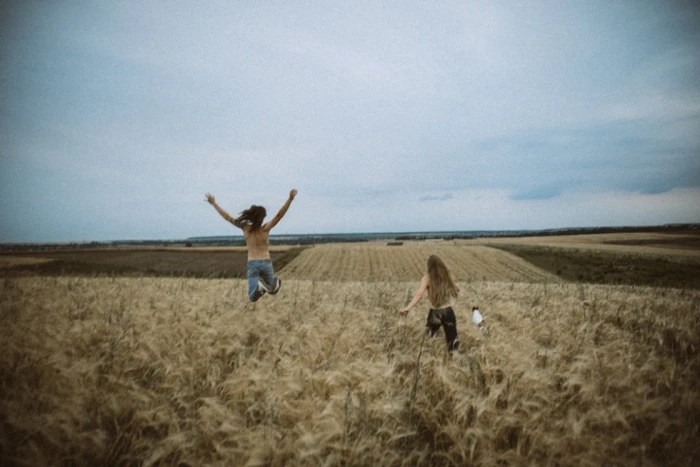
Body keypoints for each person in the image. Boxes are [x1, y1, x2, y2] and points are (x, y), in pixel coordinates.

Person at [205, 189, 298, 302]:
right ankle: (272, 284)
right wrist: (290, 199)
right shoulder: (265, 229)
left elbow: (227, 217)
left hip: (253, 262)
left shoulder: (245, 228)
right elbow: (279, 215)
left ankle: (260, 288)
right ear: (262, 218)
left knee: (252, 297)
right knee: (272, 290)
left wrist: (214, 203)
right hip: (266, 262)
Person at [399, 255, 461, 352]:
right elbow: (457, 290)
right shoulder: (446, 276)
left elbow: (419, 295)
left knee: (429, 339)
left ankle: (432, 360)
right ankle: (453, 360)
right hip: (448, 312)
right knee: (452, 342)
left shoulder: (426, 279)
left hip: (435, 313)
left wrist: (408, 307)